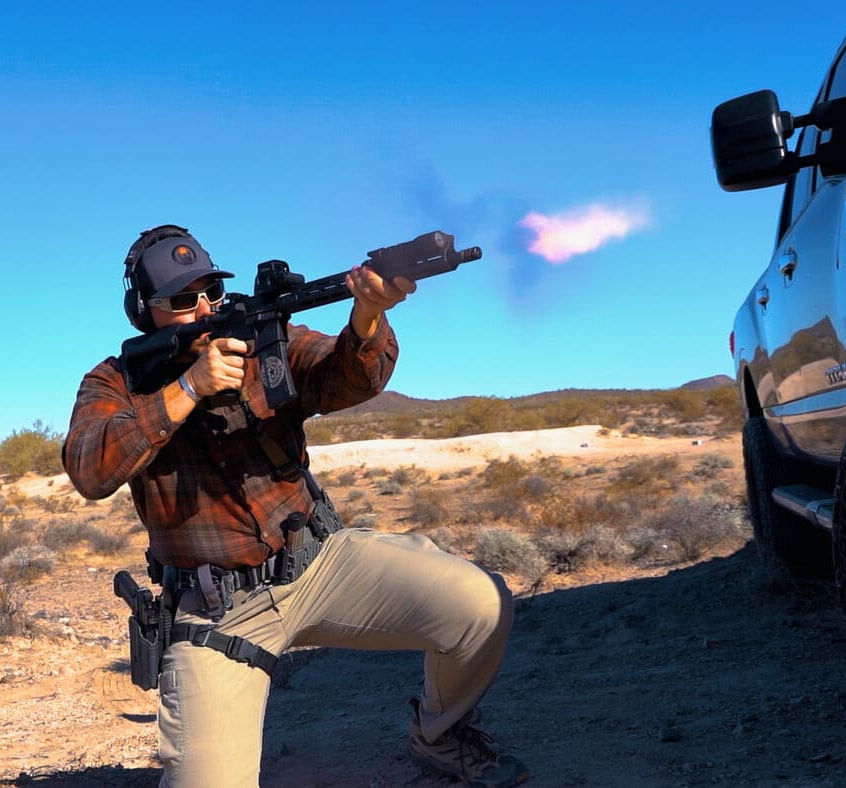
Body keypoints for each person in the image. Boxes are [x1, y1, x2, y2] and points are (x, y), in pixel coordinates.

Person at [62, 224, 529, 788]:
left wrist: (367, 317)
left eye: (211, 290)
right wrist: (187, 389)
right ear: (146, 313)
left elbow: (342, 380)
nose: (204, 307)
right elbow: (90, 469)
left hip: (318, 565)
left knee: (480, 605)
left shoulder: (264, 338)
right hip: (217, 610)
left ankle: (440, 736)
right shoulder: (117, 381)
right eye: (183, 301)